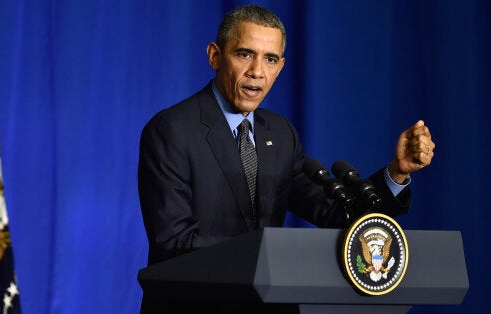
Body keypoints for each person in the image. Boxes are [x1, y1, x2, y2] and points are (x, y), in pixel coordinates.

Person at [137, 4, 435, 313]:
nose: (257, 71)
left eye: (270, 59)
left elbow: (337, 214)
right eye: (244, 54)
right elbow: (174, 241)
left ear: (281, 67)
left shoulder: (280, 133)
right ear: (215, 56)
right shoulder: (172, 130)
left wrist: (397, 173)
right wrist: (273, 256)